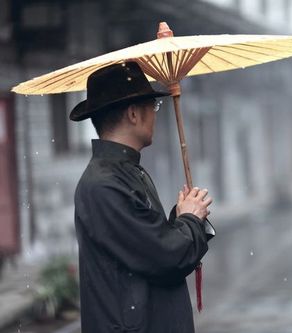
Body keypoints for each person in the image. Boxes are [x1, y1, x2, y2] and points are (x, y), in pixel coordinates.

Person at [70, 61, 215, 333]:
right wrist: (190, 220)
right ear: (134, 113)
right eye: (153, 107)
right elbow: (165, 257)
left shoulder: (125, 172)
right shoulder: (105, 184)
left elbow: (147, 241)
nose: (156, 115)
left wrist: (182, 216)